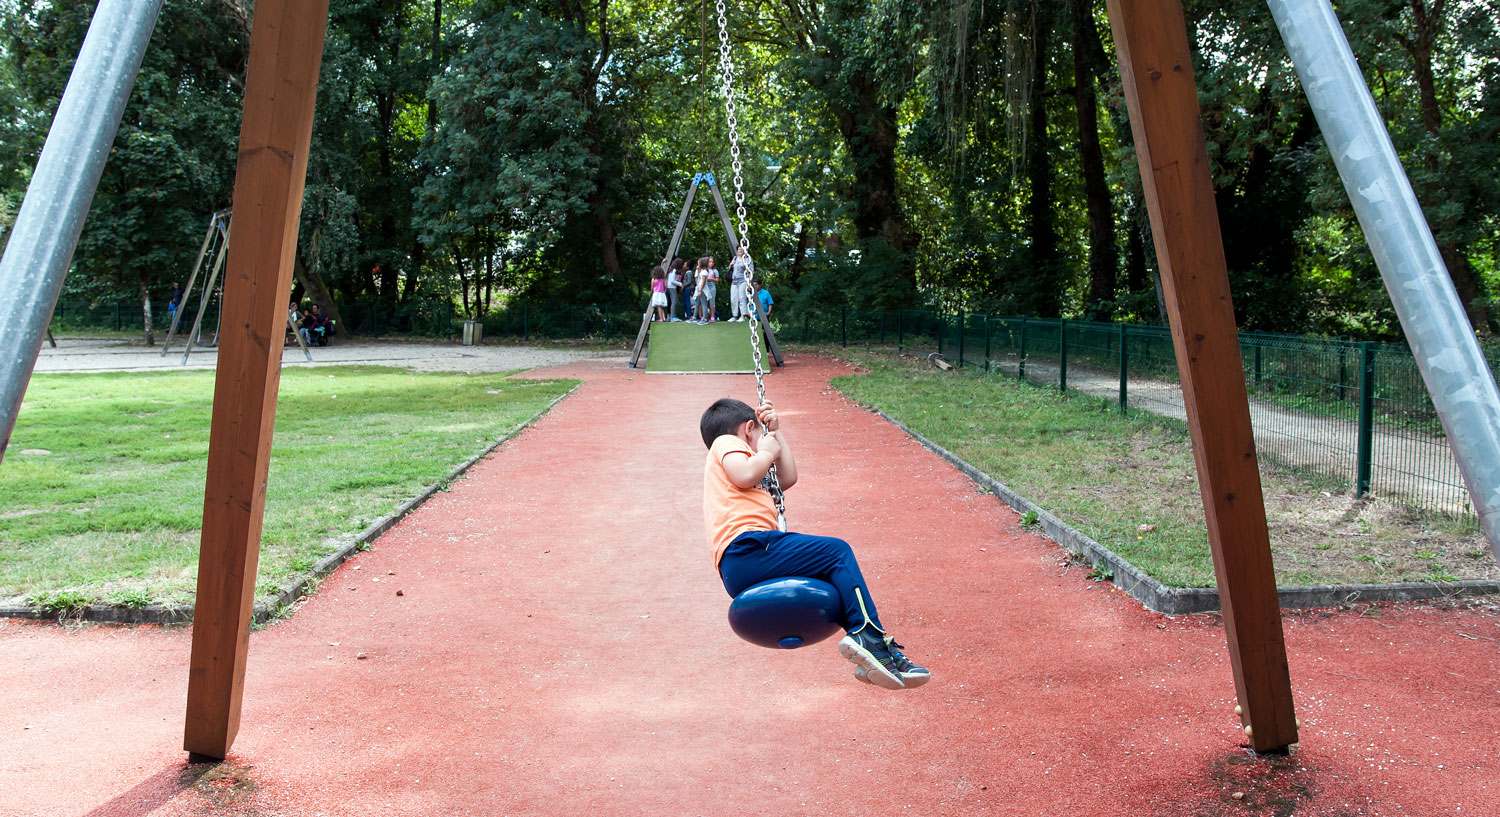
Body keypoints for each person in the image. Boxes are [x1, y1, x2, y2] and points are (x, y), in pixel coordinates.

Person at [700, 397, 930, 690]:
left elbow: (788, 478)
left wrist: (776, 432)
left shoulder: (746, 464)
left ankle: (877, 655)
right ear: (748, 430)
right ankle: (870, 636)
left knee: (833, 572)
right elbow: (746, 474)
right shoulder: (725, 443)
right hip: (748, 548)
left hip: (742, 566)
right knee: (836, 552)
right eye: (760, 434)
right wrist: (767, 449)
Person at [729, 249, 753, 322]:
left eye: (741, 249)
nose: (740, 250)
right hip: (734, 281)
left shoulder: (747, 258)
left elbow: (751, 271)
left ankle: (742, 316)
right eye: (739, 249)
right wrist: (731, 264)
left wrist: (749, 282)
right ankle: (734, 316)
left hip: (743, 281)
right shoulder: (735, 258)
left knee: (742, 298)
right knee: (733, 299)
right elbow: (729, 268)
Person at [692, 257, 712, 325]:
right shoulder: (701, 271)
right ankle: (694, 317)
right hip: (699, 290)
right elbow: (698, 281)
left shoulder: (704, 272)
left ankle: (705, 318)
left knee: (704, 305)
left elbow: (703, 282)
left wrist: (700, 290)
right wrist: (697, 271)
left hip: (703, 290)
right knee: (697, 304)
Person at [705, 256, 719, 322]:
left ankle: (712, 316)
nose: (711, 263)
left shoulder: (714, 270)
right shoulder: (704, 270)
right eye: (710, 261)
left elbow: (717, 280)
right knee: (704, 302)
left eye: (712, 262)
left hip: (712, 288)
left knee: (712, 303)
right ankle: (704, 316)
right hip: (705, 288)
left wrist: (712, 279)